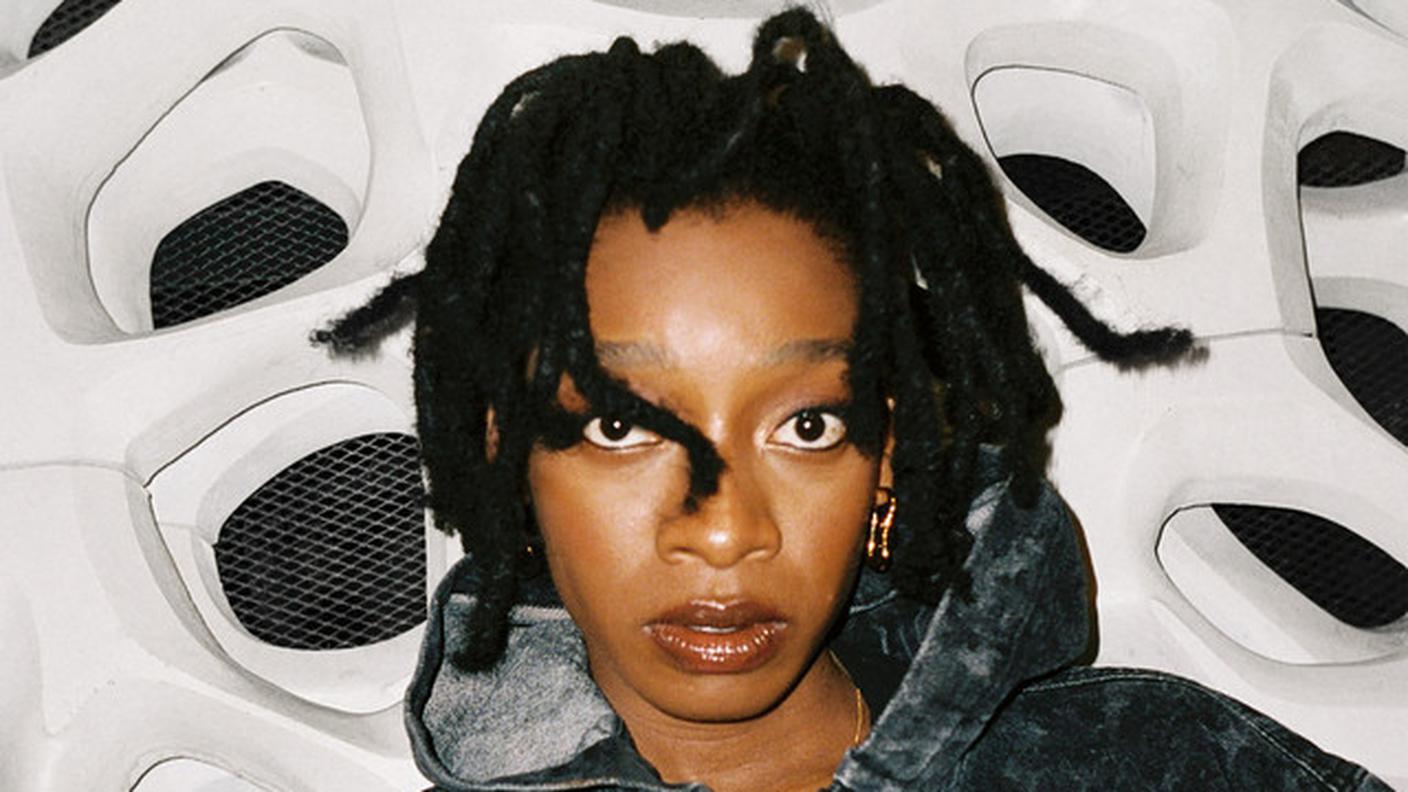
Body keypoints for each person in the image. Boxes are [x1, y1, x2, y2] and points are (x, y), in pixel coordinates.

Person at [316, 9, 1388, 791]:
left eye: (807, 425)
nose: (724, 531)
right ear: (505, 454)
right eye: (621, 423)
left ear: (886, 458)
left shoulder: (1163, 767)